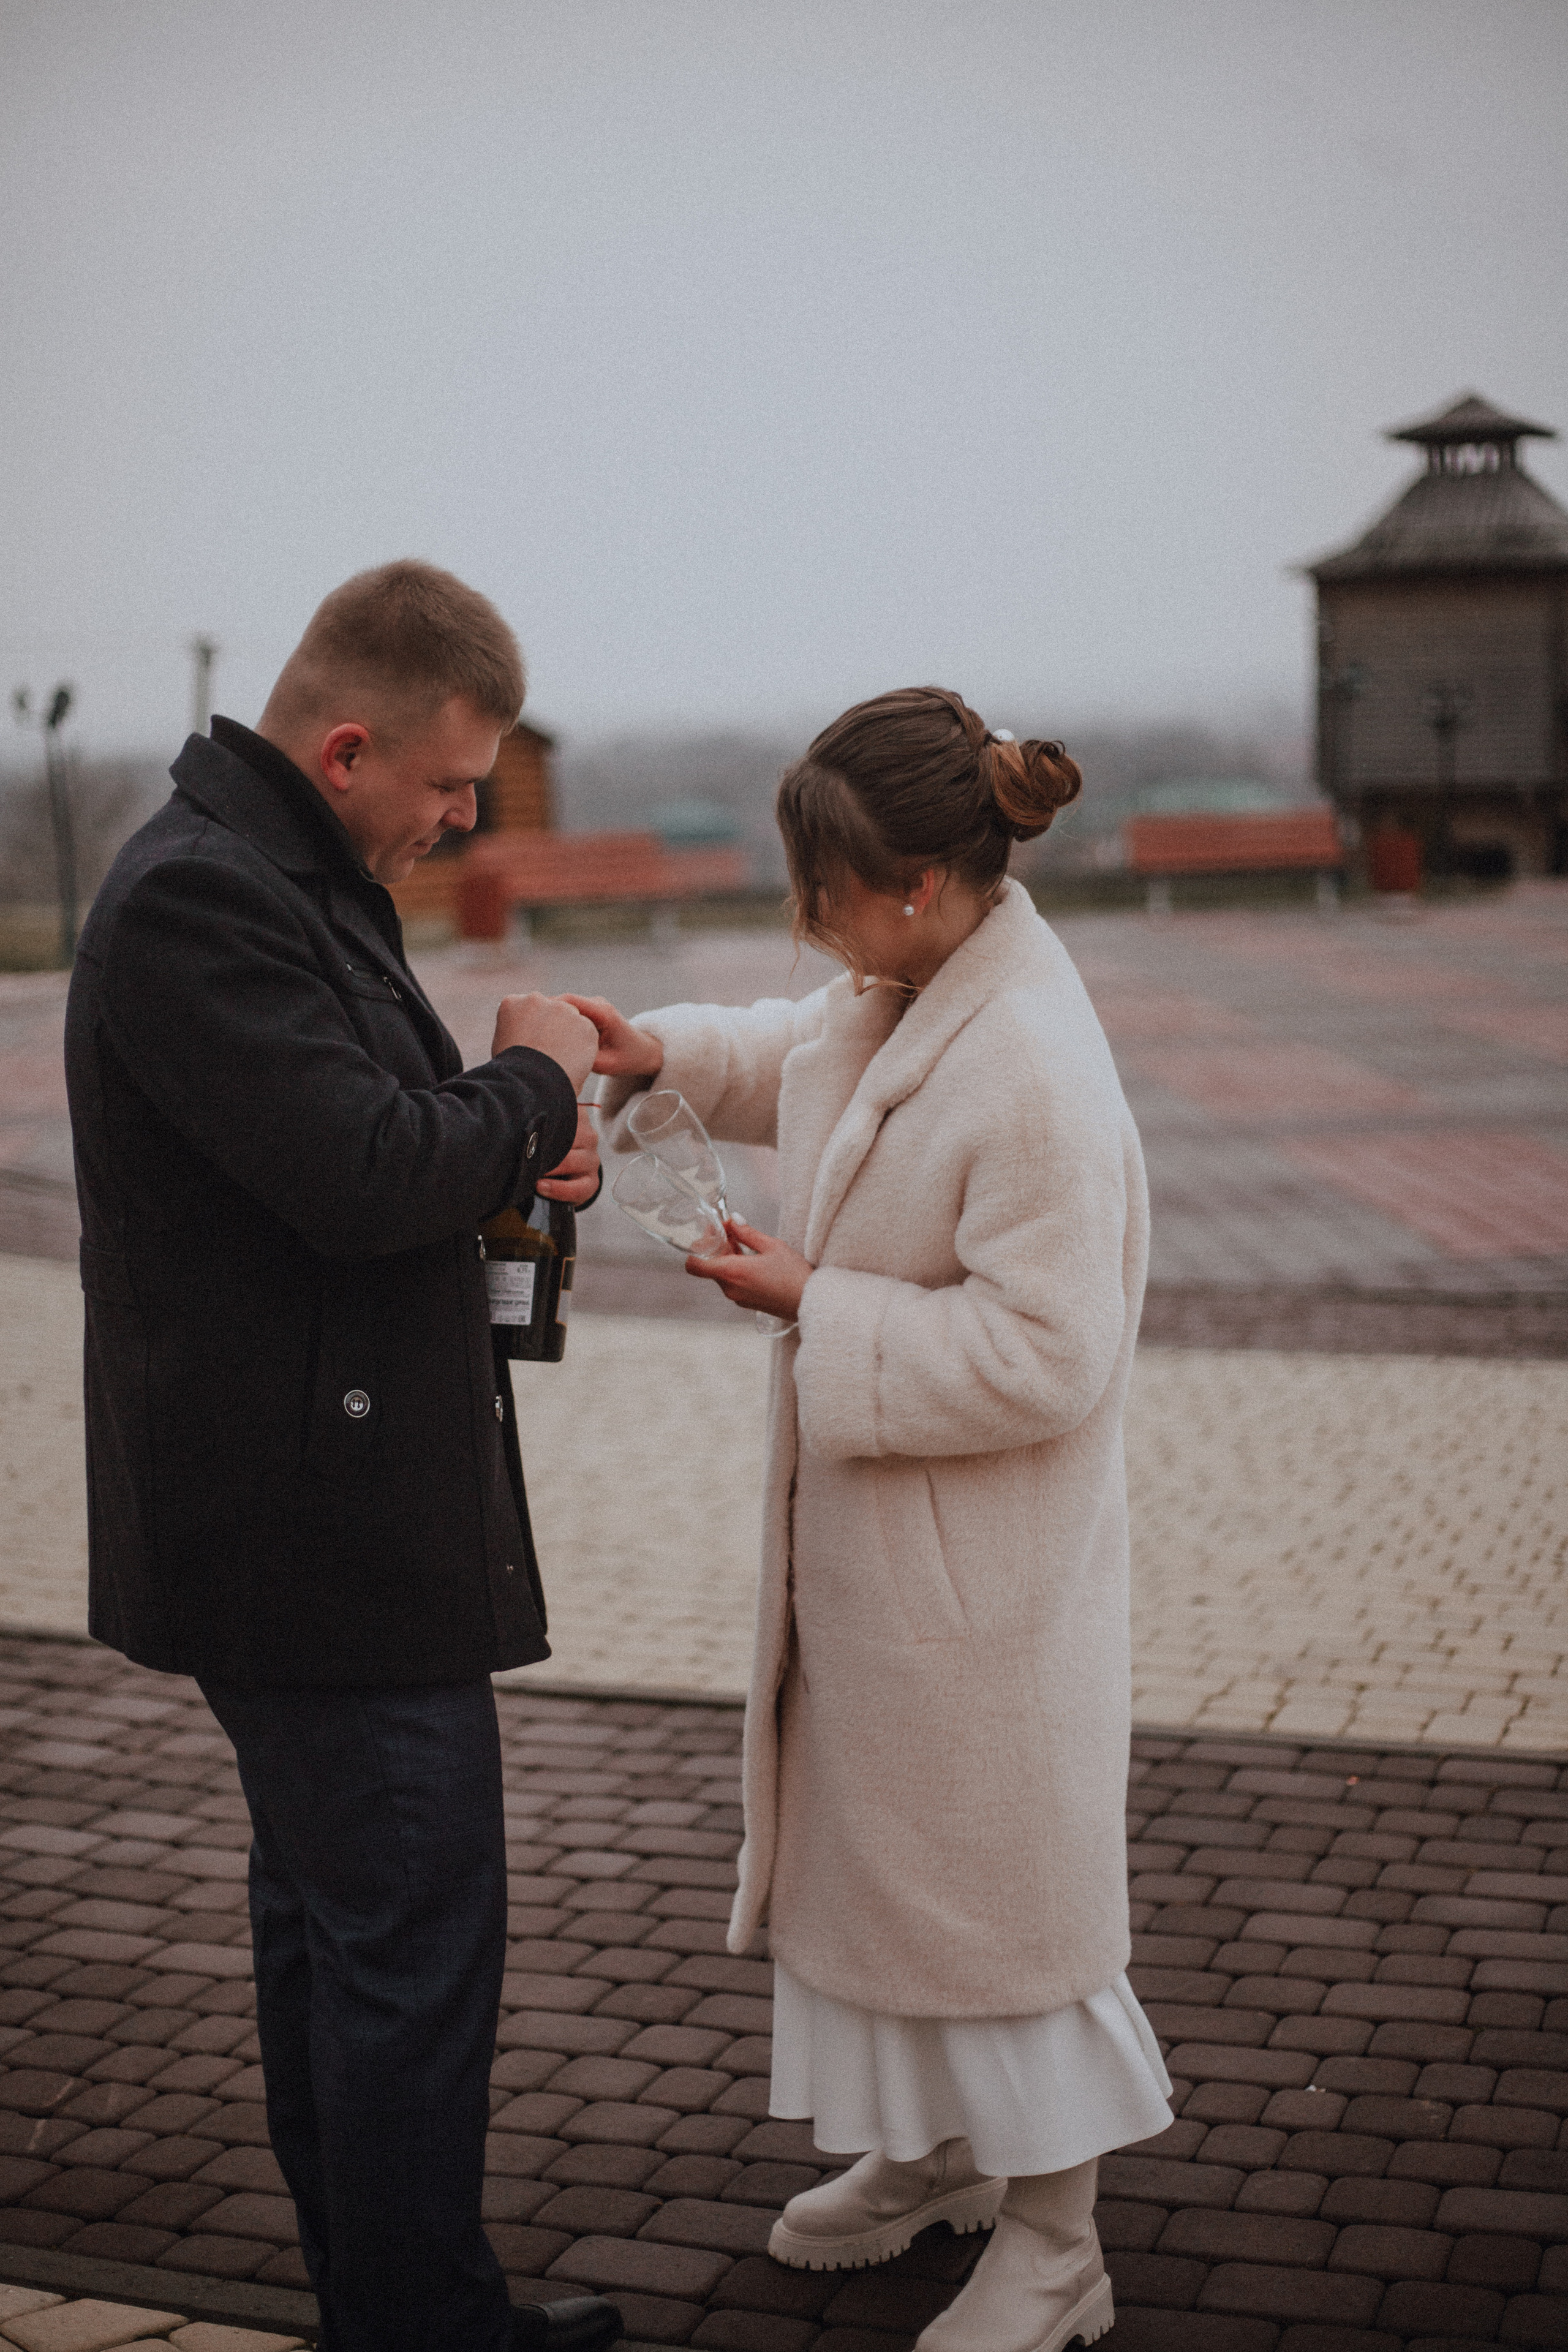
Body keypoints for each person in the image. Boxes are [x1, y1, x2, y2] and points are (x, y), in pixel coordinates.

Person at [64, 562, 622, 2352]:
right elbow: (365, 1171)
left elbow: (367, 1155)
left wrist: (508, 1160)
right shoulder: (201, 903)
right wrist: (527, 1089)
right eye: (452, 784)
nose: (466, 817)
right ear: (351, 740)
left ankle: (395, 2311)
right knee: (406, 1956)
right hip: (312, 1549)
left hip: (320, 1518)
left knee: (348, 1943)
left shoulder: (283, 873)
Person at [582, 688, 1170, 2352]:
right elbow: (803, 1054)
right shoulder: (910, 985)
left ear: (912, 884)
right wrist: (660, 1052)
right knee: (893, 1880)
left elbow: (1053, 1357)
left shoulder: (1037, 1071)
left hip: (982, 1594)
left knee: (1003, 1905)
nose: (805, 920)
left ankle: (1060, 2243)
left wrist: (814, 1301)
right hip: (886, 1578)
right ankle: (932, 2162)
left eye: (820, 889)